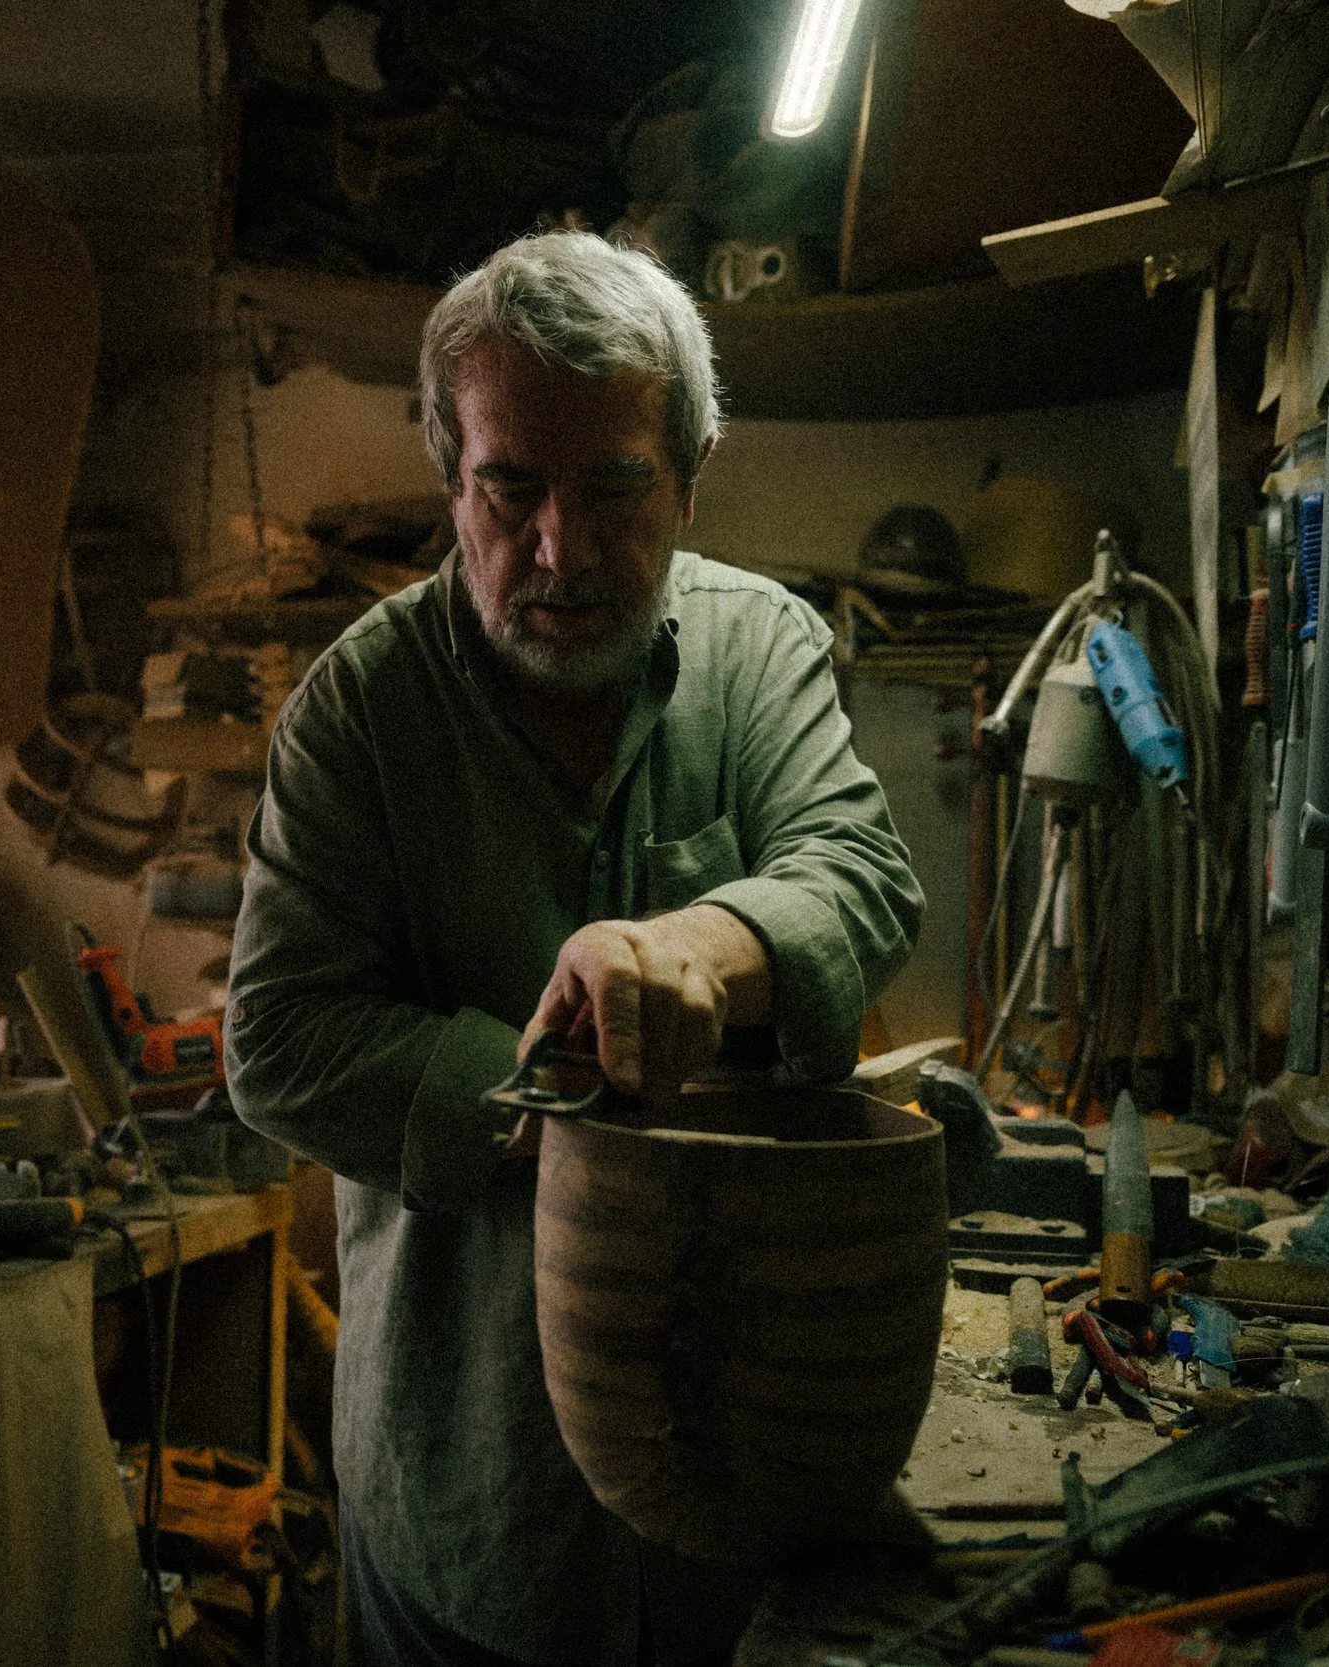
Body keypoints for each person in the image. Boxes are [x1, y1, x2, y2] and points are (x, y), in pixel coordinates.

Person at [225, 229, 922, 1667]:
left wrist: (701, 947)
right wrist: (548, 1103)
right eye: (510, 489)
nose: (562, 549)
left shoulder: (761, 649)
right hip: (465, 1492)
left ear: (694, 469)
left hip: (742, 1461)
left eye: (613, 488)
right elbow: (277, 1039)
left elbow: (857, 873)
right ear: (450, 475)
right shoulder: (360, 713)